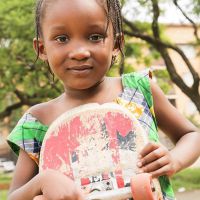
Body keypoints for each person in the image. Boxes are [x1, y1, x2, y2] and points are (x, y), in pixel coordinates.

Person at [7, 0, 200, 200]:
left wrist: (174, 160)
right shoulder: (37, 121)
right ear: (41, 48)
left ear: (116, 44)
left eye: (95, 36)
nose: (80, 52)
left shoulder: (139, 90)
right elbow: (14, 196)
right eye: (62, 38)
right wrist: (41, 182)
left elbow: (191, 134)